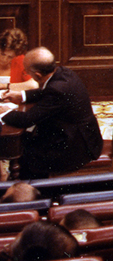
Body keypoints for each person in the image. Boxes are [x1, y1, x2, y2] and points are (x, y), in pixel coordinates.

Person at [0, 47, 102, 179]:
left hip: (75, 148)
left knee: (25, 152)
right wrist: (21, 95)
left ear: (37, 75)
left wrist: (5, 112)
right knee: (26, 139)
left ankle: (34, 192)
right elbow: (45, 92)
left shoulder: (57, 90)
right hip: (85, 136)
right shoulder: (64, 72)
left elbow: (27, 119)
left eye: (27, 71)